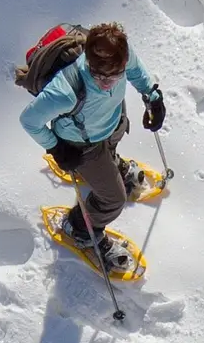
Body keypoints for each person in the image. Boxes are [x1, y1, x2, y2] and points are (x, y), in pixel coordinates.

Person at [18, 22, 166, 270]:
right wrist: (56, 148)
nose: (107, 82)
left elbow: (135, 69)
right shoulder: (65, 91)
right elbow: (29, 121)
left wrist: (152, 96)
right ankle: (80, 229)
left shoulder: (122, 54)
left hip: (110, 122)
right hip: (80, 144)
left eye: (115, 75)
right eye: (98, 75)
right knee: (113, 200)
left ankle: (111, 166)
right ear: (88, 60)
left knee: (113, 141)